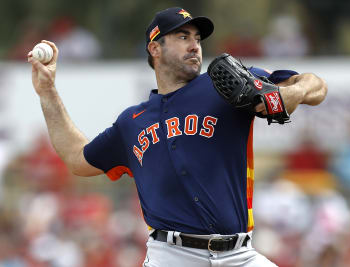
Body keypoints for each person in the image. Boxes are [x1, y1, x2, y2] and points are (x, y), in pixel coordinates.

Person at [28, 7, 327, 267]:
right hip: (170, 256)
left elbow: (316, 86)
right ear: (155, 49)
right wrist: (47, 93)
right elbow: (78, 158)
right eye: (183, 37)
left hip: (239, 254)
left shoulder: (223, 87)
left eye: (197, 38)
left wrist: (290, 93)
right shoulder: (132, 122)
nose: (195, 45)